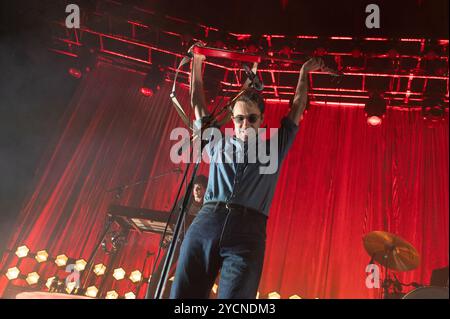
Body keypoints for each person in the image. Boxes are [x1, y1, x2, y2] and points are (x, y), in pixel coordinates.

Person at [169, 48, 326, 299]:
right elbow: (198, 103)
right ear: (232, 119)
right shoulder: (218, 141)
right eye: (240, 118)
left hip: (247, 231)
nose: (245, 124)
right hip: (208, 220)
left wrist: (303, 72)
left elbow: (297, 107)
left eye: (252, 118)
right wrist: (196, 63)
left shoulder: (274, 148)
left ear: (262, 120)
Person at [147, 174, 208, 298]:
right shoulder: (185, 203)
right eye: (195, 188)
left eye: (200, 188)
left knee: (187, 276)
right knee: (160, 271)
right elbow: (172, 220)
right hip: (178, 241)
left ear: (206, 189)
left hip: (194, 247)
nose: (196, 191)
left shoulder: (207, 207)